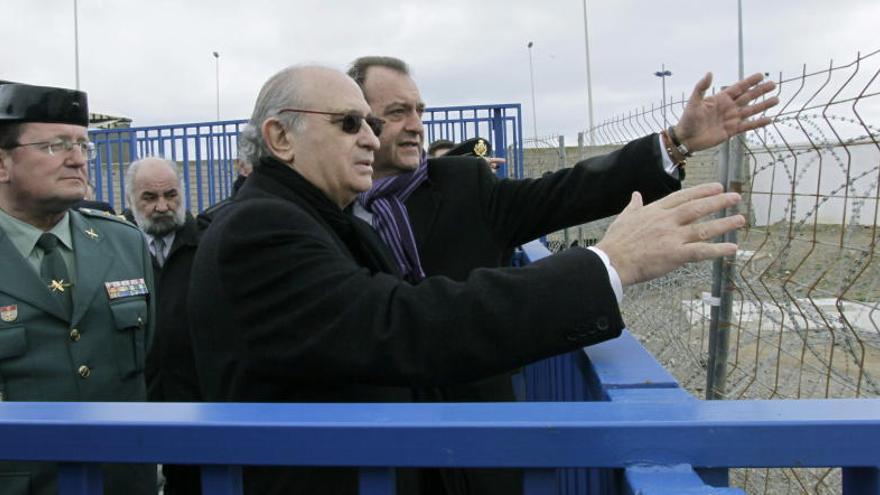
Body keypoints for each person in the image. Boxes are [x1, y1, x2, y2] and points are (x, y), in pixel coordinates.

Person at [189, 64, 745, 495]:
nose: (373, 136)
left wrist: (671, 145)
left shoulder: (330, 210)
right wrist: (608, 264)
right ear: (280, 138)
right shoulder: (263, 228)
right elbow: (400, 323)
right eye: (352, 122)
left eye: (375, 122)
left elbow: (559, 192)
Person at [346, 55, 778, 494]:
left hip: (475, 443)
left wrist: (675, 142)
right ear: (356, 121)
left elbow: (567, 190)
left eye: (420, 111)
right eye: (398, 112)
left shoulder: (463, 187)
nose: (416, 125)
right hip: (361, 444)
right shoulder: (325, 206)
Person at [0, 82, 156, 494]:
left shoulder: (125, 244)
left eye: (83, 146)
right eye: (54, 145)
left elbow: (154, 365)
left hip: (122, 479)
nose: (76, 160)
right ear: (2, 164)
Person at [125, 156, 201, 494]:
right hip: (135, 406)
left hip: (196, 405)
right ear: (130, 200)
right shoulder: (115, 249)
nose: (162, 207)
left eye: (171, 195)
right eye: (149, 198)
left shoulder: (209, 244)